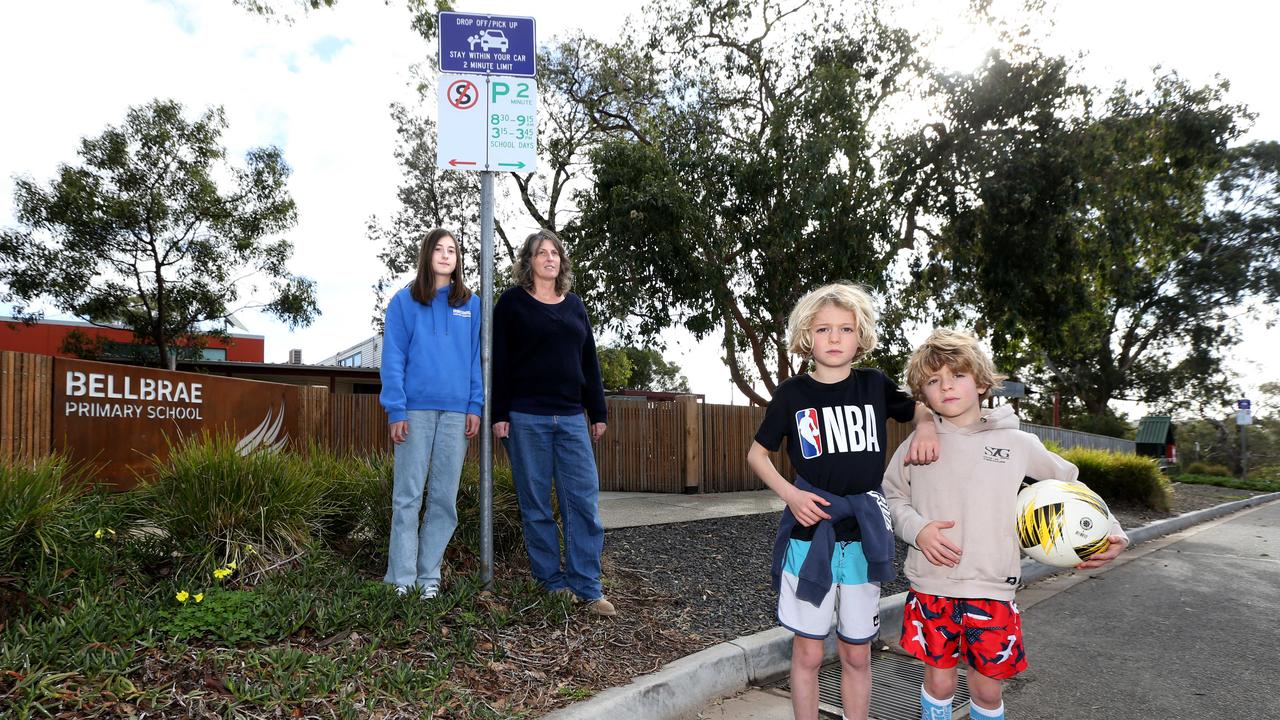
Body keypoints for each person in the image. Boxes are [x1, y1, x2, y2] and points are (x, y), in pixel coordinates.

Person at [883, 329, 1129, 720]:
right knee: (940, 684)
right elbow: (893, 496)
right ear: (922, 394)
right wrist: (918, 529)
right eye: (933, 381)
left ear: (981, 382)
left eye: (957, 375)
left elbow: (1071, 483)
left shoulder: (1018, 443)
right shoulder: (916, 444)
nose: (946, 386)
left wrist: (1112, 530)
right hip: (932, 586)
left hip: (992, 589)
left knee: (985, 687)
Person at [747, 282, 941, 720]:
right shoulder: (792, 395)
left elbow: (922, 406)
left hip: (862, 540)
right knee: (809, 654)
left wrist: (926, 427)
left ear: (861, 335)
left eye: (845, 329)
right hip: (808, 537)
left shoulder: (874, 385)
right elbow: (757, 455)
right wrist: (791, 494)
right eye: (823, 329)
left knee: (857, 654)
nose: (834, 339)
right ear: (806, 336)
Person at [491, 229, 616, 617]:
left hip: (571, 418)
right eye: (540, 253)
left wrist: (597, 412)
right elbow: (499, 362)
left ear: (561, 262)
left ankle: (587, 586)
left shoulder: (576, 306)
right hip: (526, 418)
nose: (548, 258)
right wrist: (498, 414)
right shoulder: (511, 303)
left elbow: (588, 363)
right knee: (536, 503)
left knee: (582, 501)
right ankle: (550, 581)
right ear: (528, 261)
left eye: (554, 253)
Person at [379, 228, 482, 599]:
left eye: (451, 250)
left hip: (456, 415)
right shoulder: (404, 302)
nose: (445, 255)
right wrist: (396, 409)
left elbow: (476, 361)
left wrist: (475, 405)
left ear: (458, 259)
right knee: (407, 497)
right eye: (438, 249)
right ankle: (402, 579)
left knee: (443, 499)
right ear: (427, 255)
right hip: (414, 412)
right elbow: (392, 359)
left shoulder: (471, 304)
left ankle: (428, 578)